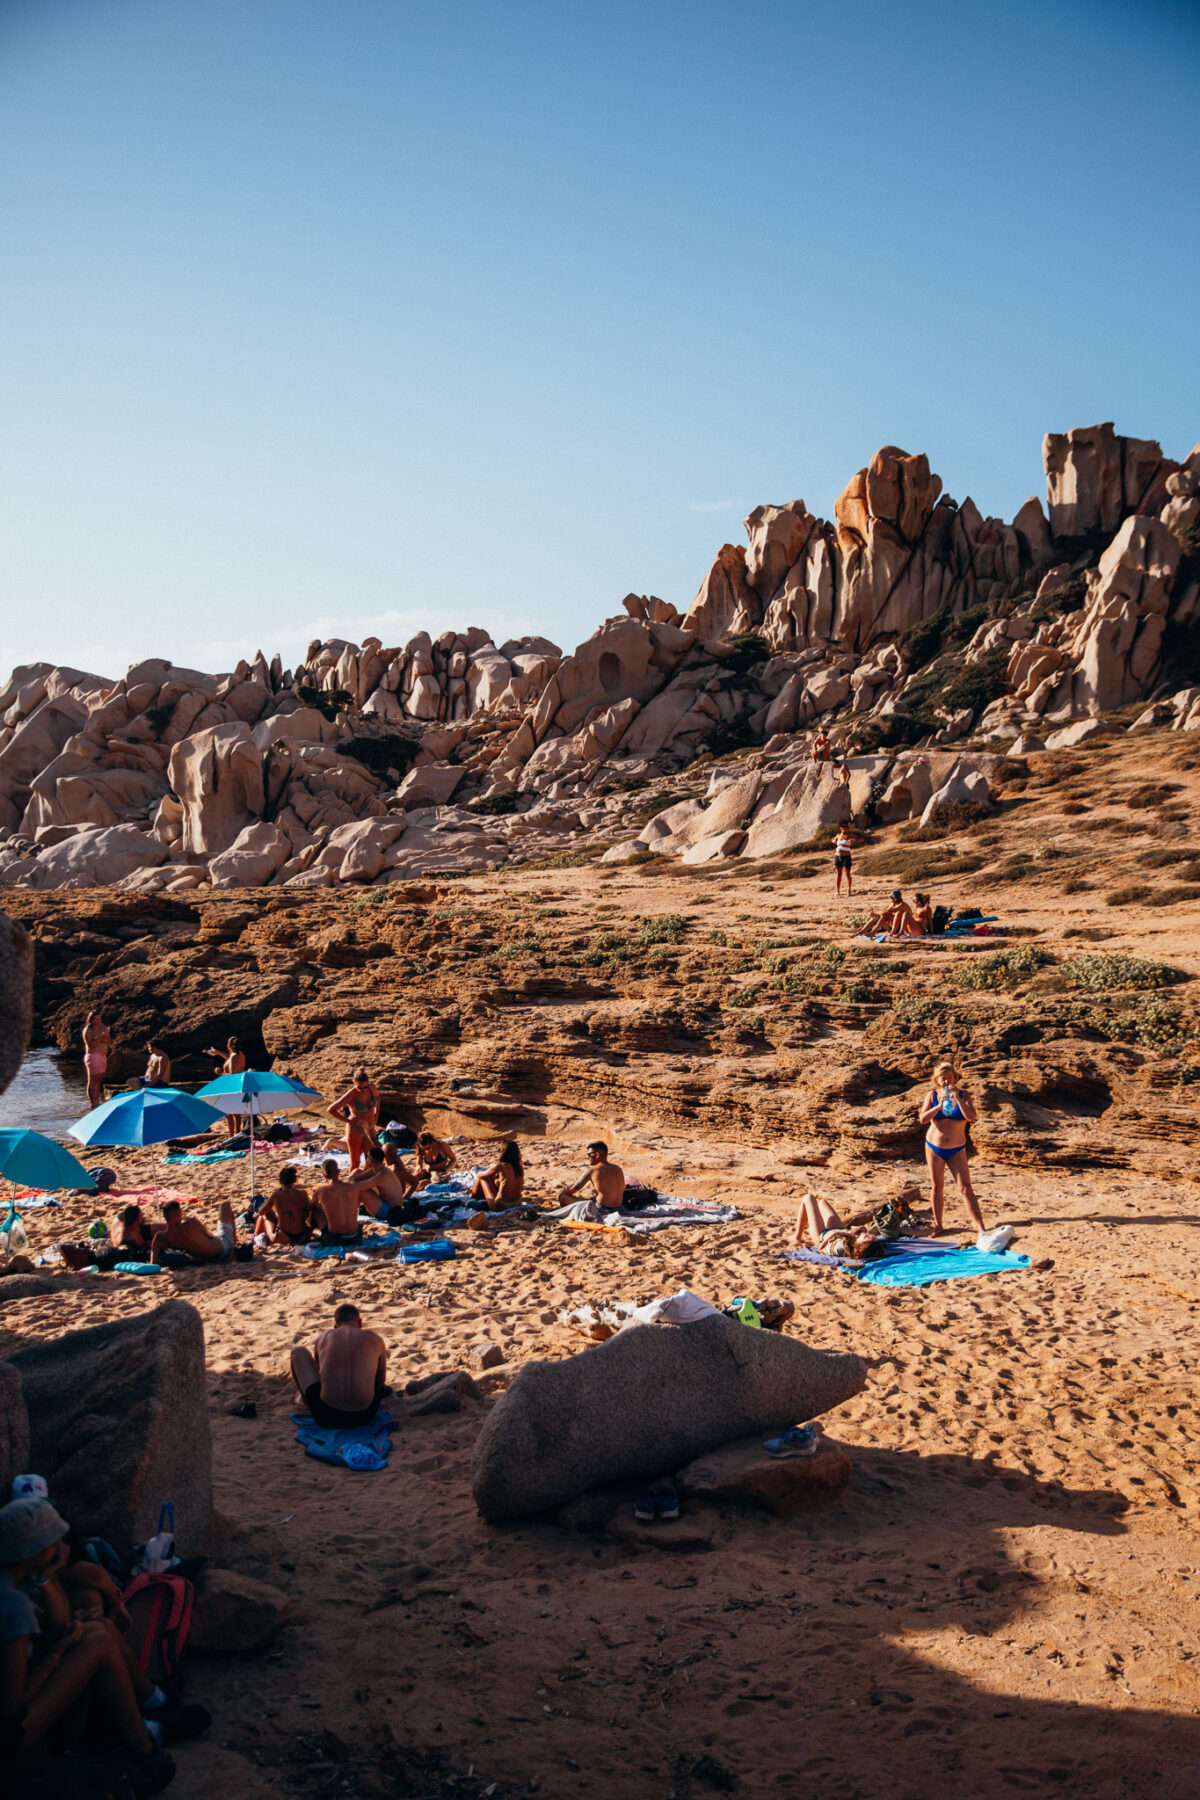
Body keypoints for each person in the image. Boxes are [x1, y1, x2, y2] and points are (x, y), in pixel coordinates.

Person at [0, 1495, 178, 1784]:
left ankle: (151, 1712)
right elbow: (13, 1704)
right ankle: (146, 1750)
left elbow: (57, 1626)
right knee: (97, 1642)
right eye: (53, 1541)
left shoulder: (14, 1582)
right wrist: (58, 1652)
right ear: (30, 1549)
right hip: (11, 1739)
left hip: (17, 1722)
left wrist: (48, 1579)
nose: (61, 1546)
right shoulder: (13, 1605)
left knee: (97, 1629)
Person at [290, 1303, 387, 1428]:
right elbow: (380, 1383)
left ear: (335, 1326)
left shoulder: (323, 1338)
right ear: (360, 1323)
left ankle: (305, 1401)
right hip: (365, 1416)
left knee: (298, 1351)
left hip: (327, 1417)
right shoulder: (375, 1338)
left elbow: (321, 1375)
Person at [919, 1061, 985, 1235]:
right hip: (934, 1147)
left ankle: (980, 1226)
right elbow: (923, 1119)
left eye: (950, 1078)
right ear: (937, 1080)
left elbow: (971, 1117)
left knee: (966, 1188)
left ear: (955, 1078)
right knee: (936, 1187)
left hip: (957, 1149)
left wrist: (958, 1100)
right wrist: (938, 1106)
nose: (947, 1081)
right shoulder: (932, 1095)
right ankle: (939, 1225)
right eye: (943, 1078)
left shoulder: (964, 1094)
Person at [791, 1193, 889, 1262]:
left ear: (860, 1245)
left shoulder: (841, 1248)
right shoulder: (855, 1240)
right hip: (838, 1228)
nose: (867, 1234)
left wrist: (839, 1233)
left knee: (809, 1198)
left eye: (866, 1237)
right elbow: (862, 1232)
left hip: (821, 1234)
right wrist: (858, 1230)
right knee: (822, 1203)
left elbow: (821, 1249)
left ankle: (797, 1236)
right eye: (870, 1235)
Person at [150, 1199, 241, 1265]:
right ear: (179, 1214)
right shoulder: (192, 1224)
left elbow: (153, 1263)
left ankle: (233, 1242)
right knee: (225, 1205)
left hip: (204, 1259)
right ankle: (234, 1241)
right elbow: (210, 1236)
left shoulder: (159, 1237)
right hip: (222, 1248)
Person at [349, 1146, 422, 1225]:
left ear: (371, 1160)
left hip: (391, 1210)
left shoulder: (383, 1174)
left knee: (361, 1191)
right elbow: (354, 1178)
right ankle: (350, 1212)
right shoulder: (376, 1170)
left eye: (367, 1157)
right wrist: (352, 1181)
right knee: (356, 1172)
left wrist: (351, 1183)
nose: (366, 1159)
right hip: (385, 1204)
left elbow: (358, 1187)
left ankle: (350, 1217)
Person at [327, 1070, 381, 1172]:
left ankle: (363, 1185)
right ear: (353, 1083)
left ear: (368, 1083)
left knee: (371, 1161)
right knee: (355, 1162)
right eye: (359, 1087)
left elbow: (378, 1098)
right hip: (356, 1128)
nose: (362, 1090)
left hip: (370, 1127)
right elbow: (331, 1109)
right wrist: (348, 1121)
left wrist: (376, 1114)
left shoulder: (372, 1088)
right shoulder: (351, 1095)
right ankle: (352, 1185)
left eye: (365, 1087)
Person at [556, 1141, 626, 1210]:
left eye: (589, 1155)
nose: (587, 1157)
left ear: (597, 1155)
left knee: (563, 1197)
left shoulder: (593, 1170)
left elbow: (571, 1191)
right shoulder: (618, 1168)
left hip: (601, 1209)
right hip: (619, 1208)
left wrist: (562, 1193)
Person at [255, 1167, 314, 1246]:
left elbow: (261, 1212)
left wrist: (267, 1202)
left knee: (265, 1215)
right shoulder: (303, 1194)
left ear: (280, 1181)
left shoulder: (276, 1195)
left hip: (284, 1237)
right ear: (294, 1181)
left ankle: (255, 1236)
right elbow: (307, 1213)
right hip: (302, 1236)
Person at [311, 1158, 363, 1246]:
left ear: (324, 1175)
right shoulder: (352, 1188)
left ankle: (308, 1234)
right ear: (339, 1171)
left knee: (316, 1209)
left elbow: (308, 1207)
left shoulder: (322, 1190)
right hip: (356, 1237)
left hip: (335, 1240)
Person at [203, 1037, 247, 1136]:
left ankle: (232, 1136)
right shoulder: (240, 1055)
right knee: (236, 1113)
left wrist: (220, 1073)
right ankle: (237, 1134)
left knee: (229, 1114)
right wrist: (218, 1052)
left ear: (228, 1046)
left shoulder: (234, 1057)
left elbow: (232, 1075)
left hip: (231, 1087)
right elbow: (230, 1058)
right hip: (239, 1086)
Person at [470, 1141, 525, 1210]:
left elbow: (482, 1175)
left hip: (500, 1205)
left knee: (482, 1179)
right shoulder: (519, 1166)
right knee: (492, 1178)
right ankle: (475, 1199)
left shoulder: (501, 1166)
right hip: (517, 1203)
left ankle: (472, 1199)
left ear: (503, 1152)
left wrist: (478, 1173)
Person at [81, 1012, 110, 1110]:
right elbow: (90, 1045)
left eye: (99, 1019)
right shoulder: (88, 1030)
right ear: (91, 1020)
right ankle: (93, 1103)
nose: (98, 1021)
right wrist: (101, 1038)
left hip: (102, 1056)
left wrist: (103, 1038)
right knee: (92, 1081)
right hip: (93, 1056)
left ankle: (97, 1102)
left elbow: (108, 1039)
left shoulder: (102, 1026)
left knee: (98, 1081)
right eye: (96, 1019)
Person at [833, 826, 858, 896]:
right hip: (838, 856)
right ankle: (837, 891)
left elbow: (856, 839)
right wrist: (834, 841)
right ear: (840, 827)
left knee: (847, 873)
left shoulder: (849, 835)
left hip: (846, 856)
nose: (844, 828)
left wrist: (852, 841)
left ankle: (849, 890)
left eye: (846, 826)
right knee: (838, 874)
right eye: (843, 826)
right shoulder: (838, 835)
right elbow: (833, 840)